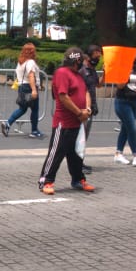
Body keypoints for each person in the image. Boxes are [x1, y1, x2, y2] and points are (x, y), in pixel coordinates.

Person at [38, 47, 95, 195]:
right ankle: (46, 180)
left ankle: (78, 179)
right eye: (81, 60)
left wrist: (87, 109)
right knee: (56, 152)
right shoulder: (62, 73)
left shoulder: (78, 75)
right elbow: (63, 96)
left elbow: (86, 92)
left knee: (76, 154)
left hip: (78, 122)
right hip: (64, 122)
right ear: (77, 61)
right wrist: (79, 112)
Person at [0, 43, 43, 139]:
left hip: (22, 87)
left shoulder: (20, 62)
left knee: (22, 108)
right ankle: (34, 131)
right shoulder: (31, 62)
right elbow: (31, 76)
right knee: (35, 109)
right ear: (32, 52)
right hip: (29, 87)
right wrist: (34, 90)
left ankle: (8, 123)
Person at [113, 57, 136, 167]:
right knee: (132, 128)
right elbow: (120, 85)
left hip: (135, 102)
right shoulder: (121, 69)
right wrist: (126, 72)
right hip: (123, 102)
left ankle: (118, 153)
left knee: (126, 127)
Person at [79, 45, 104, 173]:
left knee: (84, 137)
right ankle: (77, 164)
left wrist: (105, 73)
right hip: (83, 108)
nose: (97, 59)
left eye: (99, 56)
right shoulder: (82, 70)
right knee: (81, 137)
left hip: (91, 107)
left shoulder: (92, 69)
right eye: (95, 56)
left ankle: (80, 162)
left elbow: (98, 84)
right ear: (88, 56)